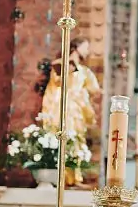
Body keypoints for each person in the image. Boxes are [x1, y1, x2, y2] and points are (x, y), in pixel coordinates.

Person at [39, 37, 101, 186]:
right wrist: (68, 69)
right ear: (76, 47)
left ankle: (76, 178)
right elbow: (57, 82)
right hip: (62, 110)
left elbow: (94, 89)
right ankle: (62, 178)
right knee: (63, 140)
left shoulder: (85, 71)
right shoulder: (60, 64)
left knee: (77, 141)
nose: (87, 51)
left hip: (77, 112)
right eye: (85, 47)